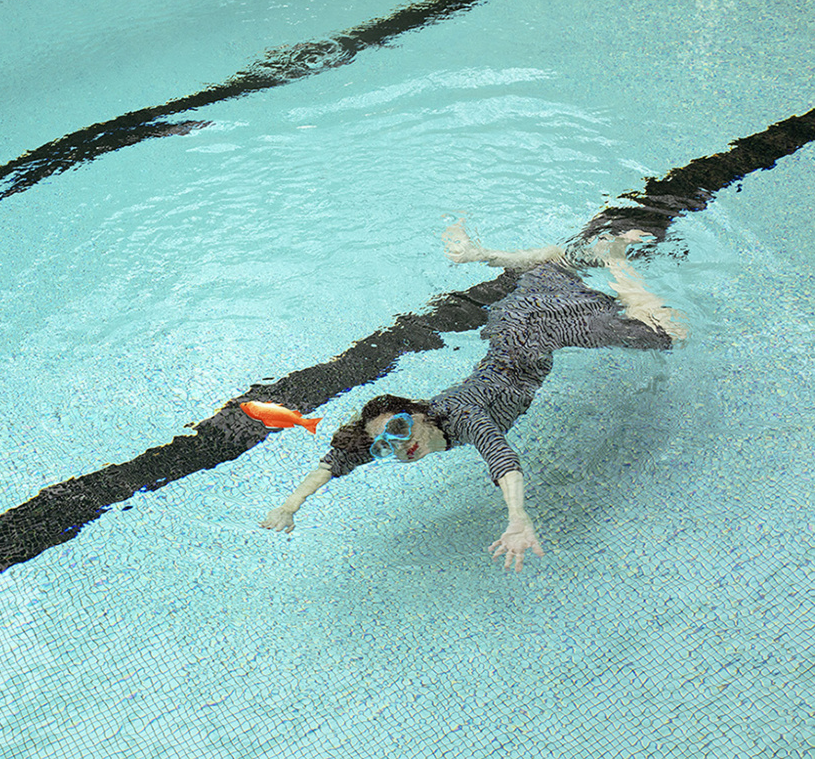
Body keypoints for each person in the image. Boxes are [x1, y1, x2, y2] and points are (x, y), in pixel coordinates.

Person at [260, 220, 687, 571]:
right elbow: (339, 459)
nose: (398, 445)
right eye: (385, 444)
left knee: (670, 334)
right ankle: (501, 256)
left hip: (540, 331)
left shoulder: (461, 416)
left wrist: (517, 516)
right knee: (548, 270)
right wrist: (290, 505)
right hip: (509, 325)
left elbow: (500, 456)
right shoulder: (405, 437)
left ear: (420, 414)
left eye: (398, 429)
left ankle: (615, 261)